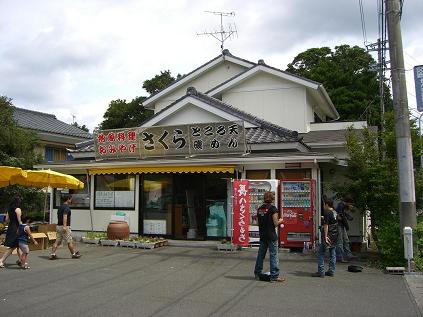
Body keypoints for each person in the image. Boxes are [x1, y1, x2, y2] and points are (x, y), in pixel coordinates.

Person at [254, 191, 285, 283]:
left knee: (261, 255)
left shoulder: (260, 209)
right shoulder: (273, 209)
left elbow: (258, 223)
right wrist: (281, 221)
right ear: (272, 199)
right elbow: (275, 223)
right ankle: (274, 276)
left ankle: (257, 273)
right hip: (271, 235)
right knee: (273, 255)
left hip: (263, 235)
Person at [312, 198, 338, 278]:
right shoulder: (334, 212)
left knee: (320, 253)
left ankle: (321, 272)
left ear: (326, 204)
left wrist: (326, 236)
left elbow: (326, 225)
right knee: (332, 253)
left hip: (329, 235)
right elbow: (333, 221)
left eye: (324, 204)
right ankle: (331, 271)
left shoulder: (327, 212)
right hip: (335, 234)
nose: (323, 206)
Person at [50, 195, 81, 260]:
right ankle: (74, 254)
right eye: (70, 199)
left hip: (58, 226)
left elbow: (59, 216)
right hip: (65, 227)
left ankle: (52, 254)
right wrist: (64, 226)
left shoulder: (60, 207)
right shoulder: (67, 208)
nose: (71, 200)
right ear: (68, 199)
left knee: (57, 241)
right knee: (69, 241)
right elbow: (65, 216)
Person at [0, 196, 23, 268]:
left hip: (10, 227)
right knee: (13, 246)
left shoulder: (9, 210)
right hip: (16, 228)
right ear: (18, 202)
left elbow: (6, 220)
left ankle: (21, 260)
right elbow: (19, 221)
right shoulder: (18, 209)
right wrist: (23, 228)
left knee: (18, 245)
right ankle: (1, 260)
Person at [335, 195, 355, 262]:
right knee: (340, 241)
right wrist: (346, 224)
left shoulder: (343, 206)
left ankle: (349, 255)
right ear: (347, 202)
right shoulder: (341, 205)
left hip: (341, 225)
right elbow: (340, 216)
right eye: (350, 203)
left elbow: (344, 214)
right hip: (339, 225)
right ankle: (340, 257)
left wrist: (348, 216)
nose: (350, 205)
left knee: (346, 240)